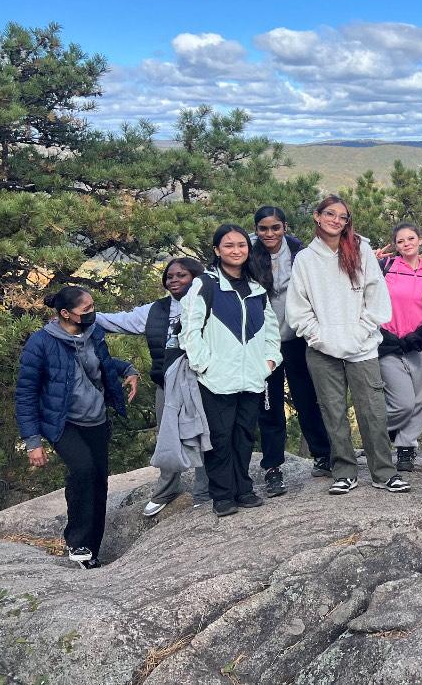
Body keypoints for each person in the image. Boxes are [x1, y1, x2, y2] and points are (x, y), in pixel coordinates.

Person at [286, 195, 410, 495]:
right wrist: (321, 338)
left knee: (372, 410)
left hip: (363, 346)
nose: (336, 220)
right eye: (330, 214)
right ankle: (344, 470)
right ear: (317, 216)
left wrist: (360, 333)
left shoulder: (361, 250)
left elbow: (376, 298)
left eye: (342, 217)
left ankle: (383, 471)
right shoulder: (305, 259)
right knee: (332, 410)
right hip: (321, 349)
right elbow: (298, 309)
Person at [17, 286, 139, 567]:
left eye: (92, 307)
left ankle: (91, 551)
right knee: (82, 470)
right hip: (63, 422)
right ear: (64, 314)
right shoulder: (41, 343)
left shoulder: (93, 333)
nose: (92, 313)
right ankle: (77, 541)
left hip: (96, 419)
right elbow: (26, 393)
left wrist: (128, 369)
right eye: (86, 310)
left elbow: (102, 363)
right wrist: (33, 442)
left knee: (98, 480)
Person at [180, 224, 281, 518]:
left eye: (241, 245)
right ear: (216, 251)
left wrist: (269, 363)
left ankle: (244, 489)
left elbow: (271, 330)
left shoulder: (256, 289)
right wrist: (204, 365)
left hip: (252, 377)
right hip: (215, 379)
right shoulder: (206, 285)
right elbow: (190, 330)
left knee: (245, 435)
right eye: (229, 246)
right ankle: (222, 494)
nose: (236, 251)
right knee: (220, 437)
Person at [97, 257, 210, 516]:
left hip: (204, 382)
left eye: (181, 275)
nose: (174, 280)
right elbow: (118, 321)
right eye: (169, 276)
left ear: (195, 277)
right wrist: (83, 314)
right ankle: (167, 490)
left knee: (206, 435)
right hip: (167, 383)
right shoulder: (156, 310)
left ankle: (205, 490)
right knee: (167, 436)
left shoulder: (209, 304)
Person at [252, 206, 333, 495]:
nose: (269, 233)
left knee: (308, 398)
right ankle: (273, 468)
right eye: (263, 228)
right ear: (257, 230)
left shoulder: (301, 252)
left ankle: (323, 454)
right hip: (264, 344)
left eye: (275, 227)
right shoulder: (249, 254)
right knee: (269, 405)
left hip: (298, 338)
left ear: (285, 227)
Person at [377, 221, 422, 472]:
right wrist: (366, 260)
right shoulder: (386, 266)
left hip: (420, 341)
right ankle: (376, 432)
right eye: (400, 241)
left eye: (411, 239)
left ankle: (406, 449)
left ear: (420, 240)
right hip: (388, 342)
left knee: (420, 399)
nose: (406, 244)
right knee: (403, 402)